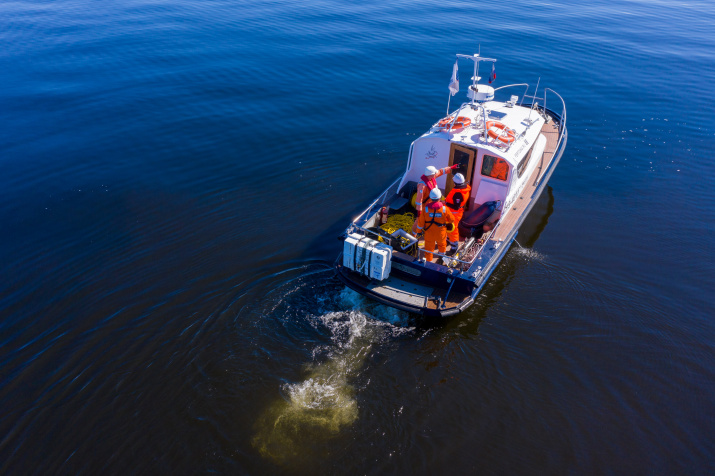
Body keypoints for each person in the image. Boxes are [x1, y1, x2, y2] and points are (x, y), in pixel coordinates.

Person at [412, 164, 459, 233]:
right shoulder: (422, 186)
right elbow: (419, 200)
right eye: (434, 174)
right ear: (430, 175)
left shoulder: (431, 177)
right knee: (419, 220)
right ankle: (414, 234)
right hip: (425, 206)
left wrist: (451, 167)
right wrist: (419, 212)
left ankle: (429, 228)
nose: (435, 174)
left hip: (433, 202)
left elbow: (440, 171)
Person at [415, 188, 455, 262]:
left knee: (429, 250)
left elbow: (420, 223)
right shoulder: (444, 209)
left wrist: (419, 231)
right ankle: (441, 259)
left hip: (429, 234)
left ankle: (428, 262)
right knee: (442, 246)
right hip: (441, 233)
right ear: (440, 198)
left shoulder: (425, 209)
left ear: (430, 198)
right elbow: (452, 220)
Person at [444, 173, 472, 248]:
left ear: (455, 182)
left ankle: (454, 247)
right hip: (453, 213)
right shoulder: (464, 189)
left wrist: (445, 203)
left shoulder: (458, 193)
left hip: (454, 214)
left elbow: (456, 207)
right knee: (448, 228)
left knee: (452, 229)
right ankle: (448, 240)